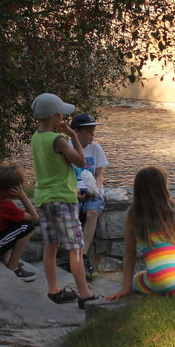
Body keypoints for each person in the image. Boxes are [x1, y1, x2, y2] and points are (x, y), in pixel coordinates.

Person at [30, 93, 97, 308]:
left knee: (51, 245)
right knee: (76, 247)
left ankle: (54, 290)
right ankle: (85, 294)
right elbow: (81, 162)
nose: (63, 118)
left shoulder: (36, 138)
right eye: (60, 114)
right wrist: (73, 136)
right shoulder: (57, 140)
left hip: (44, 198)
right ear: (52, 117)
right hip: (63, 199)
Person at [106, 166, 175, 300]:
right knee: (156, 273)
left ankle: (163, 287)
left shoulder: (133, 215)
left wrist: (126, 287)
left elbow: (130, 253)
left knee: (137, 278)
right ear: (163, 187)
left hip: (162, 282)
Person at [70, 113, 108, 280]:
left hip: (91, 188)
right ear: (77, 132)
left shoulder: (96, 148)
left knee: (92, 213)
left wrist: (96, 189)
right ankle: (73, 256)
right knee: (74, 212)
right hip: (73, 189)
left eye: (93, 131)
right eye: (89, 131)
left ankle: (83, 256)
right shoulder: (67, 147)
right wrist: (73, 191)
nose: (92, 134)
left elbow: (99, 174)